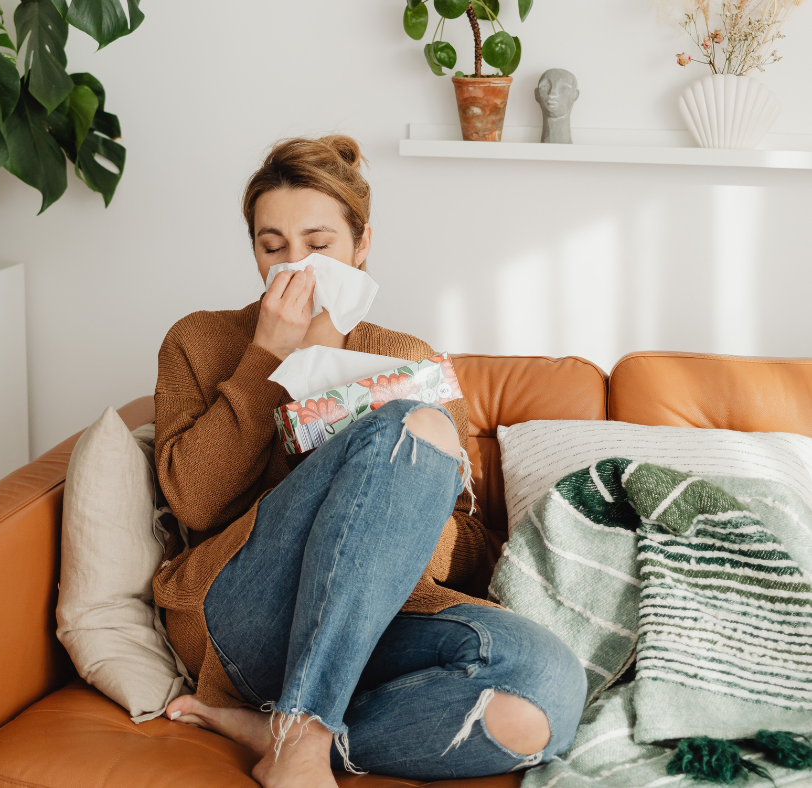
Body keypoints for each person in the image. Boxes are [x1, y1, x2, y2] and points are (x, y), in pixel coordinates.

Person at [152, 135, 586, 788]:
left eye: (318, 245)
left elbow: (463, 544)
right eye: (273, 246)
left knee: (548, 686)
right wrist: (266, 357)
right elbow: (194, 500)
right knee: (405, 430)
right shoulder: (200, 340)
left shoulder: (408, 358)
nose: (295, 265)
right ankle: (302, 737)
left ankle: (287, 729)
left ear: (361, 246)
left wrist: (383, 495)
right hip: (242, 619)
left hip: (375, 624)